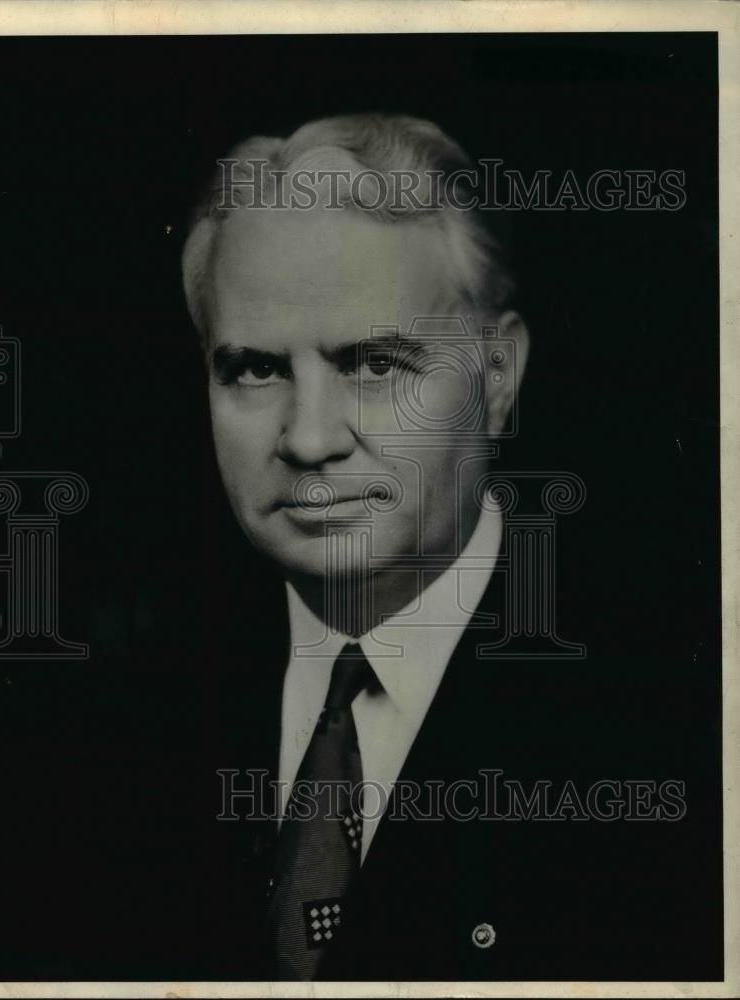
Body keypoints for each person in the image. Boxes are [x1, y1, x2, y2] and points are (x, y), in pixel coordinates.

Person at [179, 114, 719, 982]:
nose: (310, 439)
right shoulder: (102, 733)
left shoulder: (678, 719)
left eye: (374, 364)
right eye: (254, 369)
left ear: (496, 378)